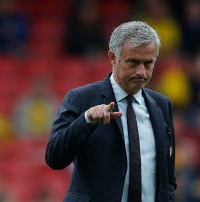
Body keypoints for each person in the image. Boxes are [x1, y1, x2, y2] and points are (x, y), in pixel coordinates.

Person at [45, 21, 177, 202]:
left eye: (148, 63)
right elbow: (54, 158)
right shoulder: (81, 99)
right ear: (113, 57)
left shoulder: (162, 105)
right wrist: (86, 120)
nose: (141, 72)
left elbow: (168, 178)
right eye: (133, 62)